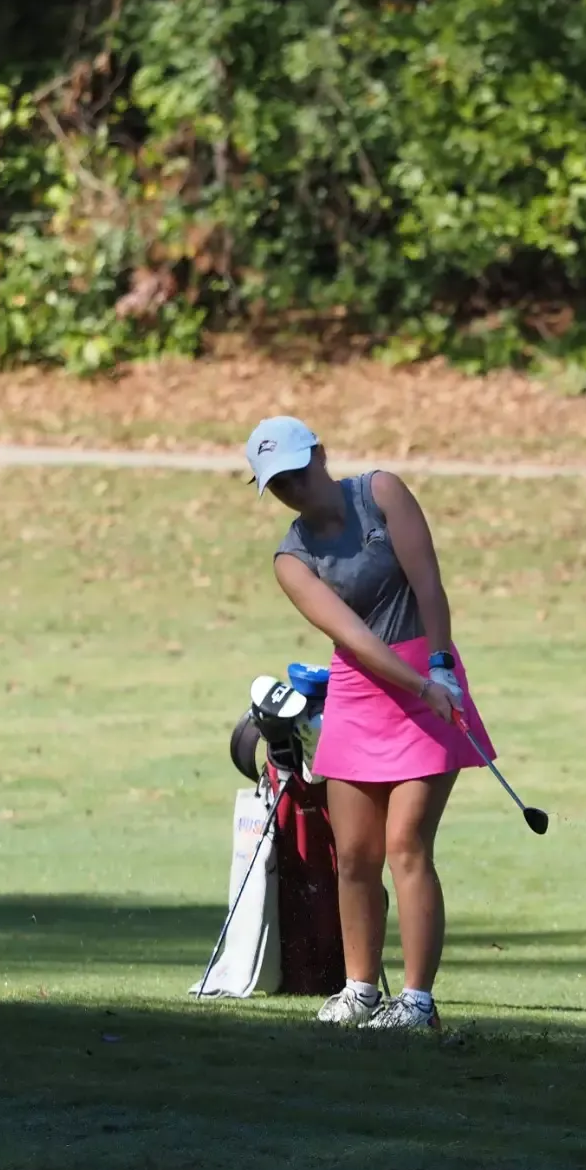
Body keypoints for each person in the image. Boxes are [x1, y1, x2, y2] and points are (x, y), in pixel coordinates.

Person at [245, 414, 493, 1031]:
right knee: (354, 855)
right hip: (362, 691)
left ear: (320, 455)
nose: (293, 489)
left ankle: (417, 1002)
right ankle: (359, 991)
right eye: (278, 483)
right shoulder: (292, 558)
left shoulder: (381, 492)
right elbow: (353, 637)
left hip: (431, 675)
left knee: (407, 843)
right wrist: (419, 683)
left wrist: (440, 669)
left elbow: (428, 584)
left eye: (297, 473)